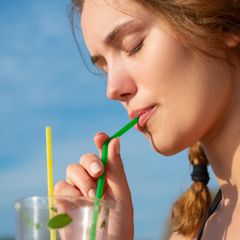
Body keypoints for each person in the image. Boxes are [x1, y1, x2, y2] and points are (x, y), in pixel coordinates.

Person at [54, 0, 240, 239]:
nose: (112, 89)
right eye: (105, 69)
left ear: (225, 26)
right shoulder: (190, 234)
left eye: (133, 45)